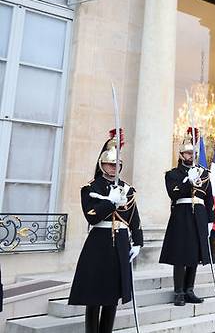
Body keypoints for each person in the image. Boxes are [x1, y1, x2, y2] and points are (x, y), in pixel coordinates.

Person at [69, 129, 143, 333]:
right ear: (102, 164)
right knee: (94, 296)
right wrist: (110, 202)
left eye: (117, 164)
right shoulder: (91, 188)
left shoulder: (127, 188)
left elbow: (134, 217)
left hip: (120, 242)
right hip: (99, 243)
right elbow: (91, 216)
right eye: (110, 164)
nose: (114, 168)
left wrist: (138, 242)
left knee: (112, 296)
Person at [159, 128, 215, 306]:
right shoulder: (172, 174)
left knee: (195, 254)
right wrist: (186, 182)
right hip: (181, 215)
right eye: (188, 153)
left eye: (193, 153)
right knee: (181, 255)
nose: (191, 155)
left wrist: (210, 218)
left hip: (199, 214)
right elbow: (173, 194)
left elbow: (209, 197)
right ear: (181, 154)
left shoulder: (203, 173)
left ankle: (189, 289)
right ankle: (179, 291)